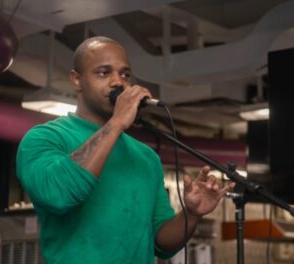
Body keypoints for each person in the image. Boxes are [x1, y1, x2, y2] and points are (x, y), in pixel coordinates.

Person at [16, 36, 235, 264]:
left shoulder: (146, 157)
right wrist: (116, 123)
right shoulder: (44, 138)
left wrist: (192, 214)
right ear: (76, 80)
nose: (117, 82)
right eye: (103, 72)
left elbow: (161, 242)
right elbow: (59, 195)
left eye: (125, 75)